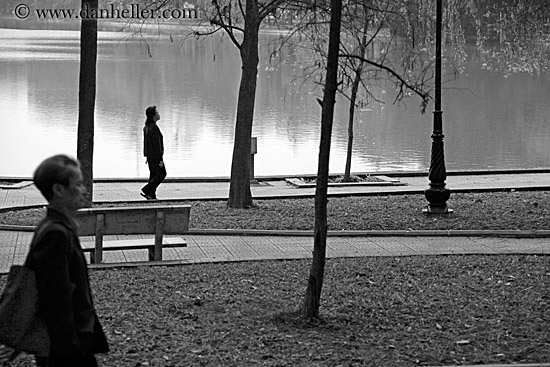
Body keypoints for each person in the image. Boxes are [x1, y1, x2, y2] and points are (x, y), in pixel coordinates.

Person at [2, 155, 109, 366]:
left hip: (67, 345)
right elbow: (55, 300)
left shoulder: (56, 227)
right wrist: (70, 351)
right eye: (78, 184)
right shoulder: (55, 234)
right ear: (59, 190)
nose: (84, 190)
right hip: (65, 350)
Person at [141, 105, 166, 200]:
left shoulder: (147, 127)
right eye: (157, 112)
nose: (159, 114)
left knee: (153, 174)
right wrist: (160, 159)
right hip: (155, 156)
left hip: (150, 156)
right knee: (162, 173)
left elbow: (147, 144)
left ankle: (151, 194)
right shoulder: (153, 128)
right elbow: (157, 145)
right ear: (153, 115)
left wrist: (147, 155)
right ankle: (147, 189)